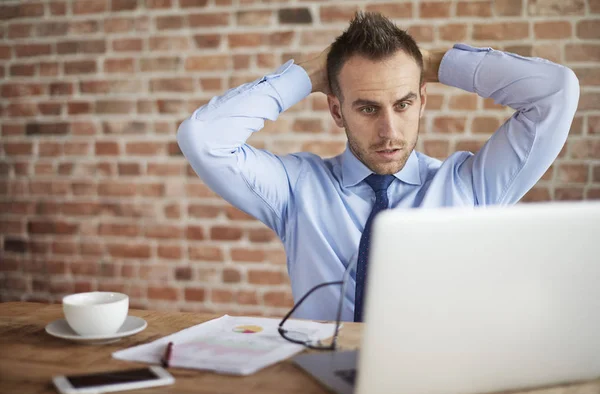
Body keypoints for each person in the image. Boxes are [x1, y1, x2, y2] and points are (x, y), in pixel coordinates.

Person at [177, 12, 579, 322]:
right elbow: (203, 138)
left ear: (422, 100)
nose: (389, 131)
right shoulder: (296, 187)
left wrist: (434, 63)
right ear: (337, 110)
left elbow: (556, 92)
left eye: (402, 104)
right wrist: (309, 74)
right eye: (368, 108)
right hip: (320, 384)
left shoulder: (471, 186)